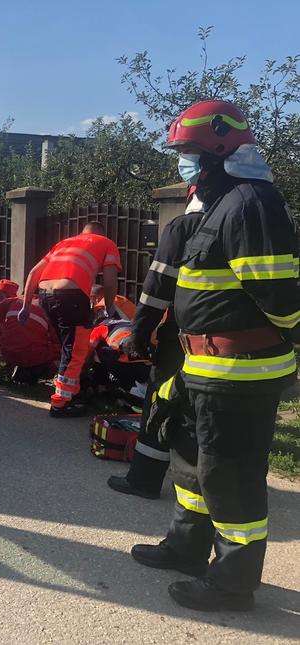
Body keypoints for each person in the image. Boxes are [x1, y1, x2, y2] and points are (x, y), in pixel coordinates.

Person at [129, 100, 300, 612]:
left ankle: (232, 584)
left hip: (240, 372)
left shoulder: (251, 203)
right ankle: (187, 549)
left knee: (231, 476)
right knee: (191, 464)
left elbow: (280, 297)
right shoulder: (219, 204)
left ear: (217, 152)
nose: (183, 162)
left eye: (188, 153)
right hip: (202, 366)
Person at [107, 189, 205, 500]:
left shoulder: (185, 226)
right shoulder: (262, 221)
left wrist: (139, 335)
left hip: (183, 337)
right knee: (206, 414)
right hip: (239, 347)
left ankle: (144, 480)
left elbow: (157, 290)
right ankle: (208, 486)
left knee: (160, 402)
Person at [19, 222, 122, 417]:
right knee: (76, 350)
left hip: (45, 295)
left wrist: (26, 305)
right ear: (102, 233)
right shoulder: (107, 243)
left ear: (83, 232)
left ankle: (72, 391)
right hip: (71, 296)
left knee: (69, 347)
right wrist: (109, 307)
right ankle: (61, 403)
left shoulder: (64, 243)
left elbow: (33, 273)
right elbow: (110, 282)